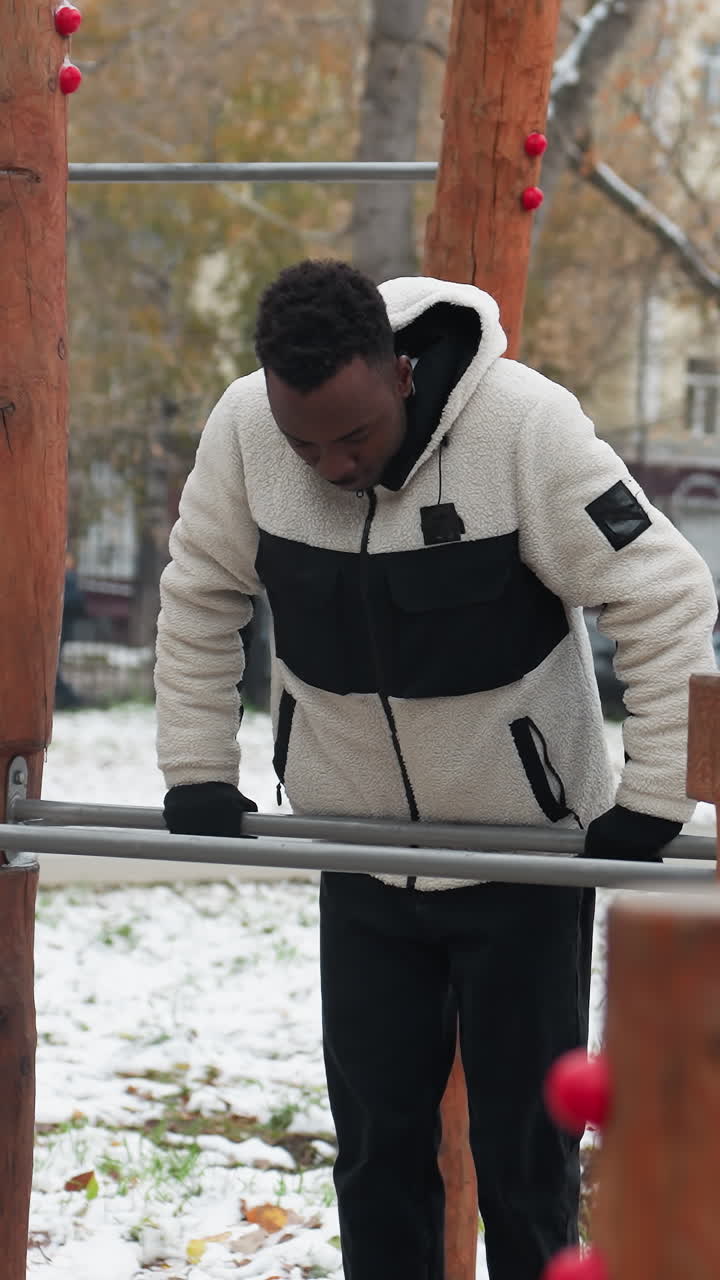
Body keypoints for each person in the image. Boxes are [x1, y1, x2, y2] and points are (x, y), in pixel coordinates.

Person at [154, 260, 717, 1280]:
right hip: (363, 855)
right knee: (375, 1157)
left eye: (354, 438)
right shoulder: (244, 430)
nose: (328, 466)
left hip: (524, 861)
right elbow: (201, 592)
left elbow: (665, 590)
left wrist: (657, 792)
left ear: (402, 371)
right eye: (305, 443)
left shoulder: (522, 427)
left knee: (525, 1160)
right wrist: (198, 763)